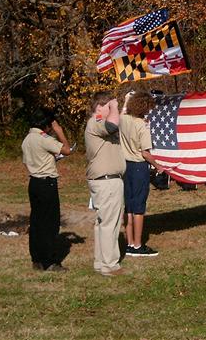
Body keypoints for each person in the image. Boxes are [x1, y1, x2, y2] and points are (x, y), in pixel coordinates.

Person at [21, 109, 72, 271]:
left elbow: (27, 161)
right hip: (47, 184)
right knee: (50, 223)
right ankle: (49, 260)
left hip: (34, 183)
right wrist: (60, 131)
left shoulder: (27, 139)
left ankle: (36, 259)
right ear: (46, 124)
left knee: (36, 222)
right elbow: (67, 150)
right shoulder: (43, 138)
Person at [84, 91, 127, 276]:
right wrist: (114, 107)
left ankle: (101, 262)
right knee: (110, 223)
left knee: (103, 224)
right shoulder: (97, 122)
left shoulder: (99, 123)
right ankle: (110, 264)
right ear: (100, 107)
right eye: (108, 105)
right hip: (107, 181)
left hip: (107, 181)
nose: (112, 109)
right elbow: (111, 125)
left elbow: (117, 124)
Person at [119, 91, 164, 257]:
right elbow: (146, 153)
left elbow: (123, 111)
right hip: (138, 168)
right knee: (139, 207)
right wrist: (159, 166)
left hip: (124, 166)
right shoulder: (142, 126)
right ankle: (138, 245)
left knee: (128, 206)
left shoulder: (123, 119)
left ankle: (129, 242)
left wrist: (126, 100)